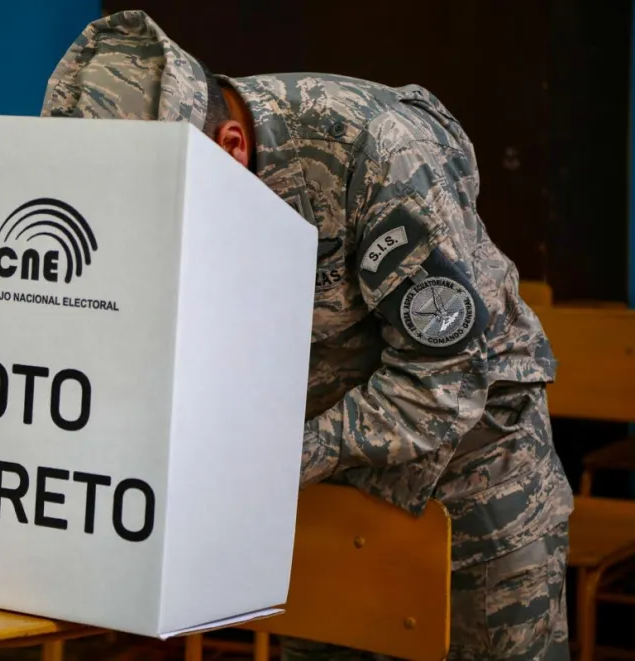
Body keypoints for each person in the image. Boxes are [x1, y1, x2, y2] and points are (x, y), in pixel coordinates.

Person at [40, 10, 574, 661]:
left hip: (474, 477)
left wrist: (264, 463)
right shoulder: (174, 175)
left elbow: (444, 380)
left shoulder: (382, 149)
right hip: (323, 484)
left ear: (232, 145)